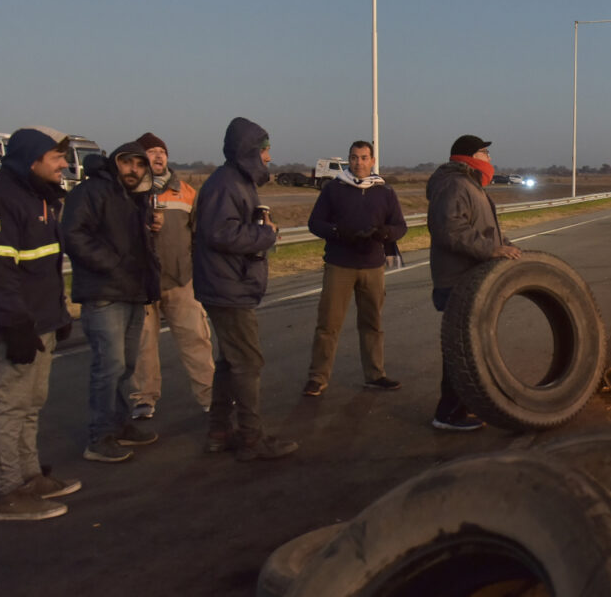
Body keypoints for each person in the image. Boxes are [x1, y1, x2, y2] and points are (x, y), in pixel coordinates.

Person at [0, 127, 79, 521]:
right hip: (17, 324)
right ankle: (9, 491)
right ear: (31, 162)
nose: (64, 164)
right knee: (10, 406)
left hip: (41, 319)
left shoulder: (40, 199)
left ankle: (30, 475)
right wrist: (15, 325)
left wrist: (57, 313)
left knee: (32, 403)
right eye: (56, 158)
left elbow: (44, 267)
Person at [193, 117, 297, 461]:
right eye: (266, 150)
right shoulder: (227, 185)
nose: (269, 157)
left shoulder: (235, 182)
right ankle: (252, 438)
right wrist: (266, 234)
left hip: (226, 282)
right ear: (251, 151)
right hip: (228, 286)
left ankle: (218, 432)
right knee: (249, 362)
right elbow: (220, 233)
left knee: (230, 362)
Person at [62, 141, 161, 462]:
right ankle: (99, 436)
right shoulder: (92, 192)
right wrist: (111, 264)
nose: (133, 169)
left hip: (133, 292)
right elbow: (73, 235)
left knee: (126, 365)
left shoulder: (137, 199)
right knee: (109, 365)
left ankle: (119, 424)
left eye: (139, 164)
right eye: (127, 163)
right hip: (104, 292)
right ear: (115, 163)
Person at [424, 134, 520, 431]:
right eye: (485, 153)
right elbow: (449, 229)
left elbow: (483, 230)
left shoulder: (470, 184)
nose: (490, 159)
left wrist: (508, 247)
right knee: (461, 350)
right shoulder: (455, 185)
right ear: (470, 156)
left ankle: (463, 407)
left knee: (471, 347)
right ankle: (449, 414)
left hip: (471, 279)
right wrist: (489, 250)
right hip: (457, 280)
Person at [302, 140, 409, 397]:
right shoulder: (333, 189)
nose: (358, 163)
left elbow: (400, 226)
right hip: (340, 264)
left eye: (363, 158)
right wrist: (338, 232)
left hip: (373, 267)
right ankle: (318, 377)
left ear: (372, 161)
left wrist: (386, 233)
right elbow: (315, 223)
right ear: (348, 160)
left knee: (372, 323)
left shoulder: (385, 192)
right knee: (328, 324)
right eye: (354, 158)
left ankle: (375, 375)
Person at [128, 132, 214, 420]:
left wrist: (197, 270)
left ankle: (210, 396)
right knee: (143, 346)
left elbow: (199, 234)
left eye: (161, 151)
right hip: (141, 284)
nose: (158, 156)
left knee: (197, 339)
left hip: (181, 280)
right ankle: (144, 399)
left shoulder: (186, 191)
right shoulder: (128, 193)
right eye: (151, 152)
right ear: (140, 159)